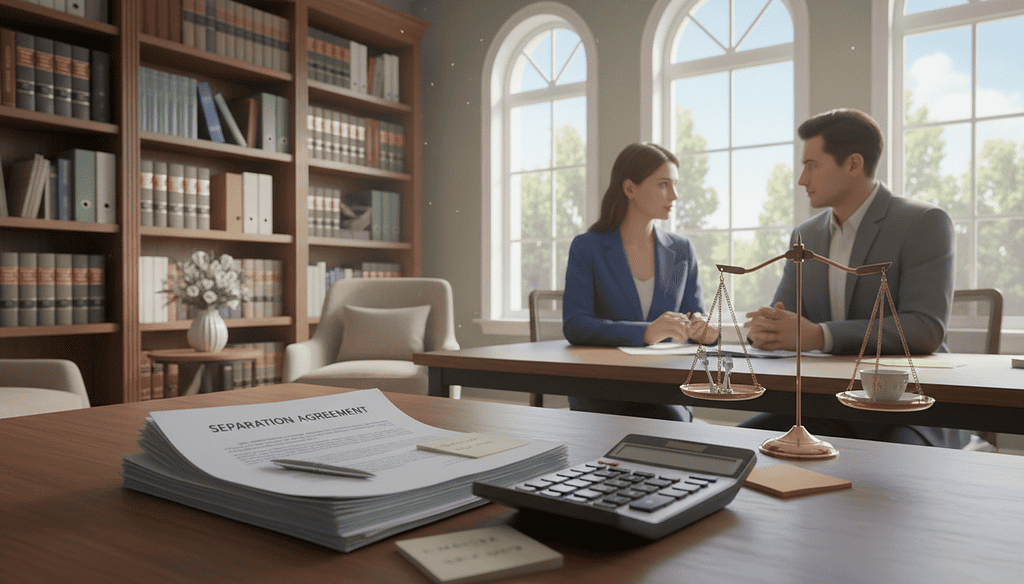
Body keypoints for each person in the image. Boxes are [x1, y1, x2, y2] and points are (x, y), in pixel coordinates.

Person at [742, 108, 969, 448]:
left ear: (853, 164)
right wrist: (767, 330)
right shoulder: (805, 235)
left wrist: (820, 335)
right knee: (737, 444)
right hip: (829, 405)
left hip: (911, 406)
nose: (802, 179)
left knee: (892, 470)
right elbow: (785, 316)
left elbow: (925, 329)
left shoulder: (924, 222)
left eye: (812, 165)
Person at [562, 142, 717, 421]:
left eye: (675, 184)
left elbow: (696, 313)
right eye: (663, 184)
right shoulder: (587, 247)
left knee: (667, 420)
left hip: (667, 387)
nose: (675, 195)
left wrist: (705, 329)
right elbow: (576, 325)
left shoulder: (682, 250)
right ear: (630, 189)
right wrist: (646, 332)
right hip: (605, 389)